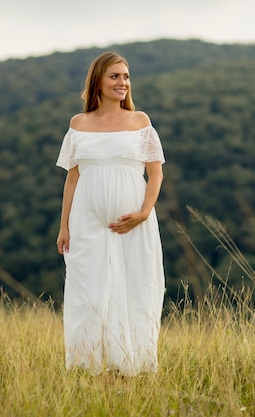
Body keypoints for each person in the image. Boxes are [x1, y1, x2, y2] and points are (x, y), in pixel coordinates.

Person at [55, 52, 166, 376]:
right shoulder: (79, 124)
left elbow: (156, 174)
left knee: (135, 288)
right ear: (98, 81)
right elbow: (72, 178)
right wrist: (64, 227)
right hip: (86, 222)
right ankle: (86, 369)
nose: (123, 82)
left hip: (132, 223)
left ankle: (130, 368)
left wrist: (145, 212)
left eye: (126, 77)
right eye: (115, 76)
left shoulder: (140, 122)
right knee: (86, 293)